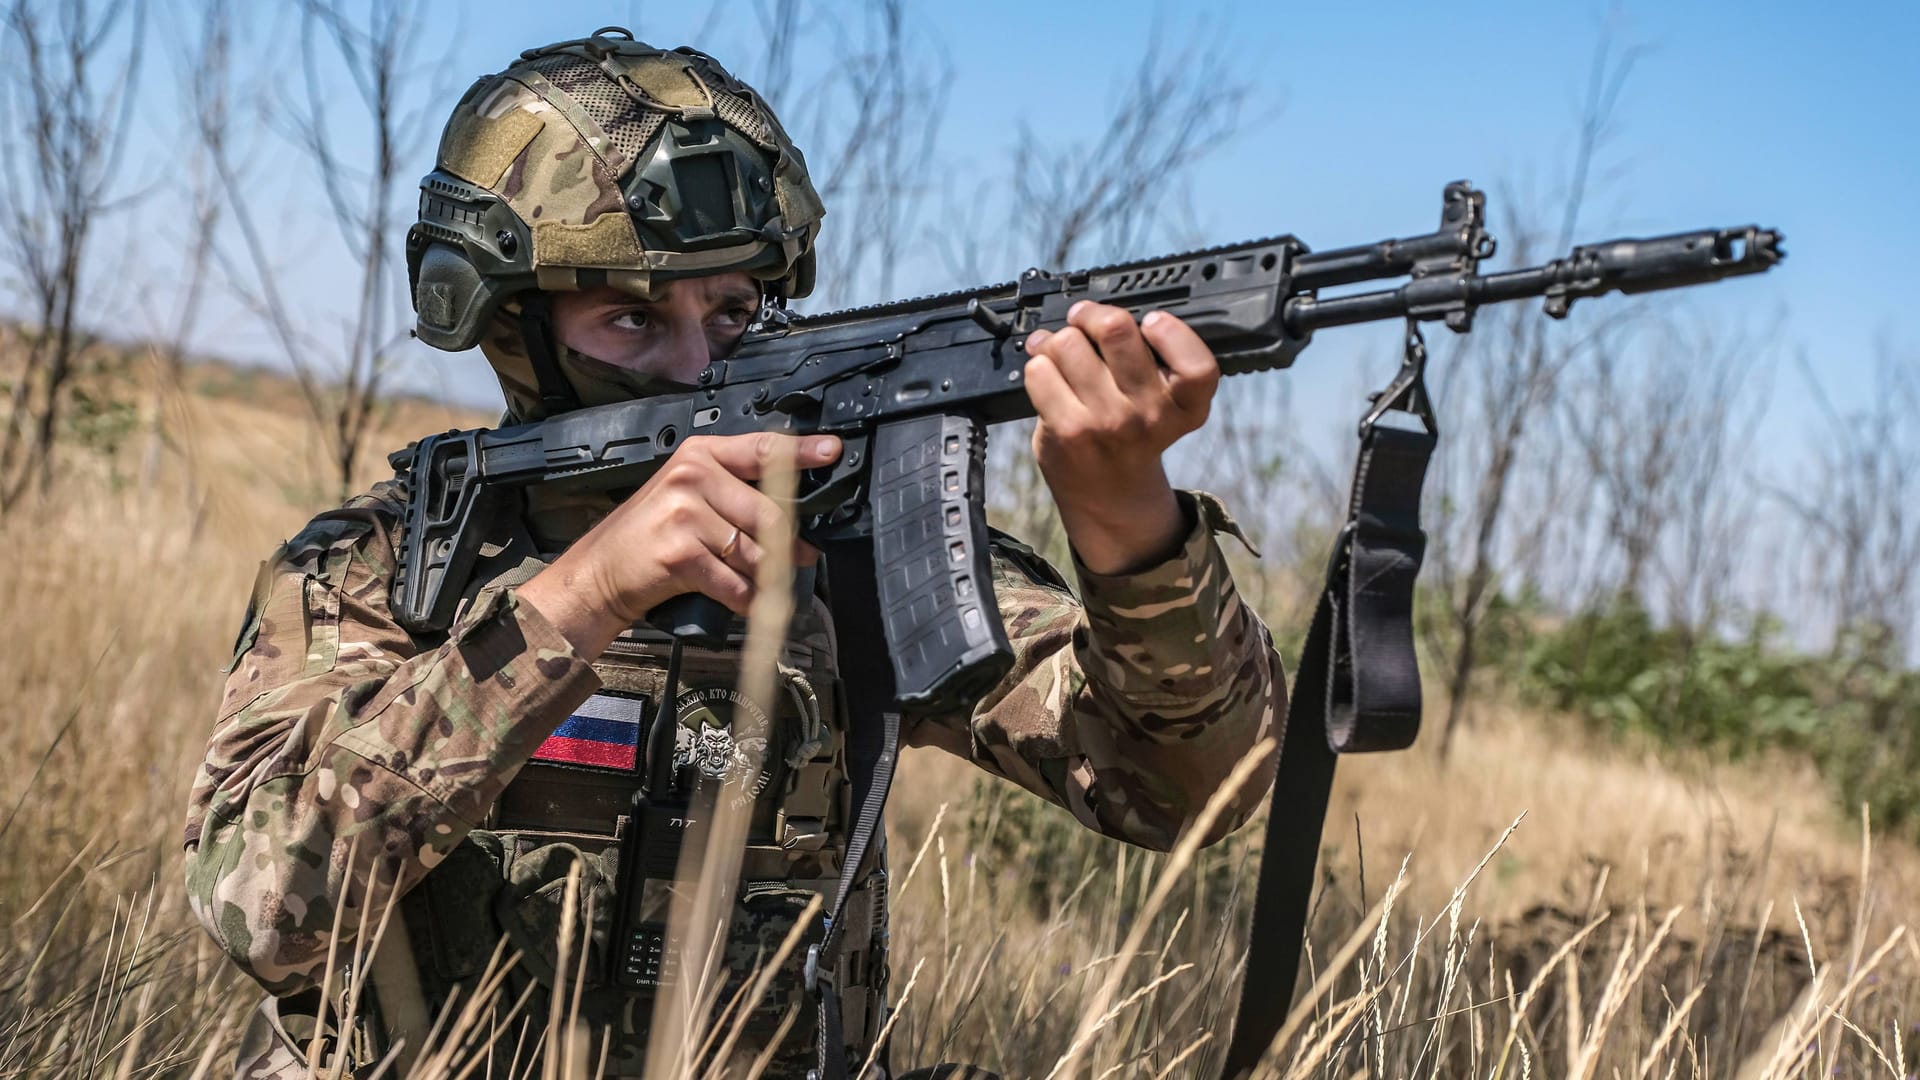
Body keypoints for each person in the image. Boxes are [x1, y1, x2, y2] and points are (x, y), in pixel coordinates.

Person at [184, 29, 1283, 1079]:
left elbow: (1188, 795)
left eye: (734, 312)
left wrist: (1129, 526)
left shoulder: (846, 550)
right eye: (630, 320)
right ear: (509, 324)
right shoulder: (385, 569)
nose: (695, 365)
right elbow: (266, 912)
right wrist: (581, 601)